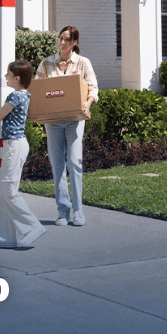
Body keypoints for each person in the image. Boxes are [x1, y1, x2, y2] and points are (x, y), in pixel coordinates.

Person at [36, 25, 99, 226]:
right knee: (57, 164)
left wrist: (87, 104)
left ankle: (78, 211)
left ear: (74, 43)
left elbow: (93, 87)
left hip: (74, 119)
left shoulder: (83, 63)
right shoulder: (46, 63)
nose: (62, 43)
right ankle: (63, 211)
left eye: (67, 40)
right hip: (53, 121)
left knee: (74, 162)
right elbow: (38, 89)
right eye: (61, 39)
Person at [0, 60, 46, 248]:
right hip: (13, 145)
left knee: (8, 191)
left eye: (8, 74)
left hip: (14, 146)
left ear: (16, 78)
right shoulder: (24, 95)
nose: (5, 76)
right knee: (4, 192)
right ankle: (6, 238)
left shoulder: (15, 96)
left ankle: (32, 226)